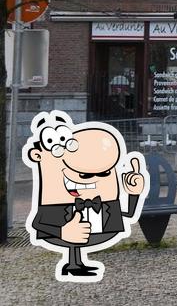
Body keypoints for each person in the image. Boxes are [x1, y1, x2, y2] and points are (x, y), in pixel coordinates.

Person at [23, 110, 147, 282]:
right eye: (84, 175)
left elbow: (129, 215)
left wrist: (134, 193)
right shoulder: (54, 206)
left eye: (104, 174)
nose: (93, 179)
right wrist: (62, 232)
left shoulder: (106, 204)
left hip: (99, 233)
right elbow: (38, 224)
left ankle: (76, 263)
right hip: (66, 231)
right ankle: (73, 264)